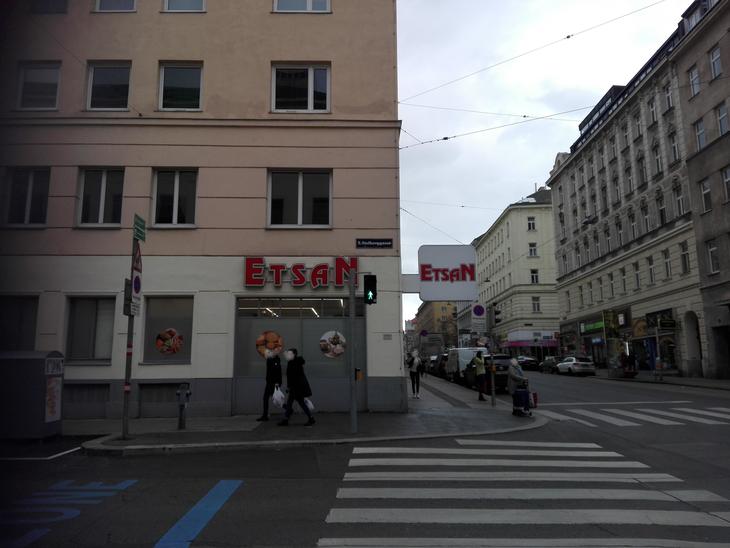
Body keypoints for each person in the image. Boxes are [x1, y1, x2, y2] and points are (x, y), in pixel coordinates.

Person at [278, 348, 315, 426]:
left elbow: (293, 377)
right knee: (297, 403)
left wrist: (289, 387)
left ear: (293, 354)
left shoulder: (294, 363)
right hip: (296, 387)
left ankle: (286, 419)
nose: (287, 355)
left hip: (296, 387)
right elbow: (291, 376)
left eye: (289, 354)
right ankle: (310, 418)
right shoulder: (293, 362)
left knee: (292, 403)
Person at [257, 350, 282, 421]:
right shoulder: (270, 360)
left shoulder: (276, 360)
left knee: (271, 398)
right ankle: (265, 415)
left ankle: (265, 416)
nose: (267, 354)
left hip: (273, 383)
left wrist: (277, 382)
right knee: (273, 399)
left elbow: (277, 372)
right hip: (270, 382)